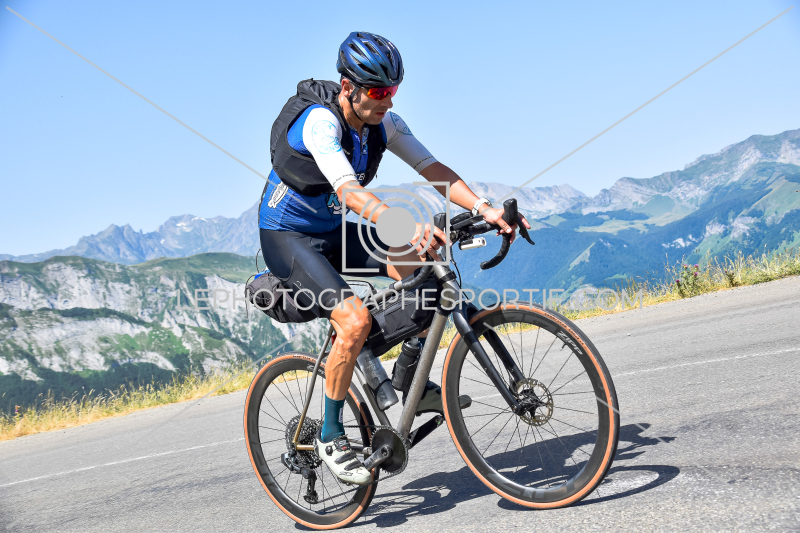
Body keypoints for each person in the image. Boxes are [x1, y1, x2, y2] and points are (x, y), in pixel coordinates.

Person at [258, 31, 530, 484]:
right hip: (289, 237)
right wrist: (404, 224)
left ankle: (410, 379)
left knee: (427, 272)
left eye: (393, 90)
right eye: (378, 92)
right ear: (349, 87)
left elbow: (433, 169)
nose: (387, 100)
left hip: (332, 231)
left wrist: (484, 208)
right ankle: (330, 435)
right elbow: (349, 191)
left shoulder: (385, 123)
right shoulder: (320, 124)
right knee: (353, 321)